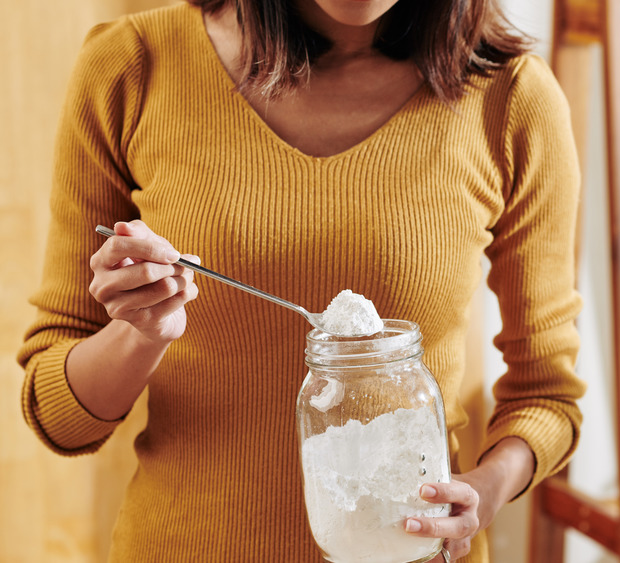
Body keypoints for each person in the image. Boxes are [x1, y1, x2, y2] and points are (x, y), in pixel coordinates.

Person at [18, 0, 585, 561]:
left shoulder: (513, 98)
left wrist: (484, 493)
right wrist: (141, 334)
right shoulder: (132, 65)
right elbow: (59, 418)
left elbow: (546, 394)